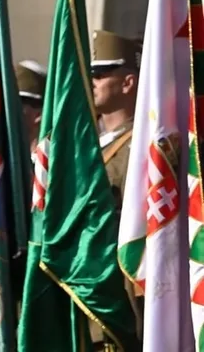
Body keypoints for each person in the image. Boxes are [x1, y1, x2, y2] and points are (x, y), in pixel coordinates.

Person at [90, 29, 153, 344]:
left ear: (128, 83)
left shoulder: (140, 144)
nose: (93, 81)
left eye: (101, 74)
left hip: (122, 283)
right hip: (89, 278)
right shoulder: (90, 145)